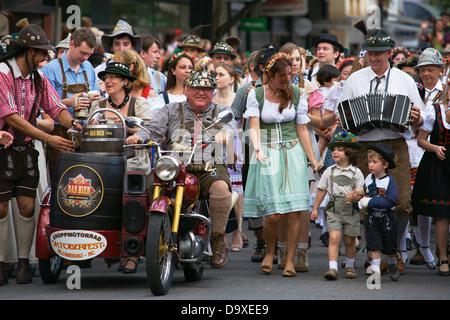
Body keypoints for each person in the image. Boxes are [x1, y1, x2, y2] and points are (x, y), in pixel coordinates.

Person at [322, 28, 425, 274]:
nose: (375, 58)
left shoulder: (405, 80)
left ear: (390, 53)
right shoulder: (355, 80)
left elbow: (420, 120)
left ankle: (396, 249)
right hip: (365, 144)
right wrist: (346, 122)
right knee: (365, 202)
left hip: (394, 144)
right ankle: (374, 253)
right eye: (371, 53)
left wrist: (416, 118)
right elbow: (342, 118)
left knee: (400, 203)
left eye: (380, 53)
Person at [126, 68, 236, 269]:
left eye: (206, 89)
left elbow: (230, 126)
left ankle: (218, 239)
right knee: (143, 189)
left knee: (220, 187)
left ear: (213, 92)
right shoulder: (170, 110)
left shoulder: (220, 112)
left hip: (208, 166)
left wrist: (225, 135)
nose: (201, 92)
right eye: (195, 88)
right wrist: (139, 137)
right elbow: (152, 130)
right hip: (174, 167)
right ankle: (140, 243)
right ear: (186, 89)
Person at [0, 24, 76, 286]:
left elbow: (55, 107)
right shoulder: (3, 72)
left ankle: (23, 263)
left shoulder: (38, 78)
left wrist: (72, 124)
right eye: (41, 53)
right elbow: (10, 116)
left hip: (27, 150)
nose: (45, 58)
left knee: (28, 206)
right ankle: (1, 263)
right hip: (3, 146)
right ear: (28, 51)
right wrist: (48, 138)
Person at [243, 52, 322, 277]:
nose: (286, 79)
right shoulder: (256, 94)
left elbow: (302, 130)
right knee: (273, 213)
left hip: (292, 152)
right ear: (269, 75)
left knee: (295, 212)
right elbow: (254, 126)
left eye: (288, 74)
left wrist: (313, 160)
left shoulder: (297, 94)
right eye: (280, 75)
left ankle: (289, 261)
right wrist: (257, 147)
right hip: (267, 153)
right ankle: (270, 252)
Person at [88, 61, 151, 274]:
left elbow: (147, 130)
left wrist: (128, 128)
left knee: (132, 200)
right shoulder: (97, 105)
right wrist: (83, 127)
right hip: (102, 162)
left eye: (113, 77)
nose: (108, 80)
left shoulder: (138, 104)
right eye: (106, 77)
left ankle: (131, 253)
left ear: (126, 81)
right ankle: (84, 248)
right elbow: (86, 132)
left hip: (132, 163)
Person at [278, 42, 325, 272]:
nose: (294, 63)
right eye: (290, 59)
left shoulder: (308, 86)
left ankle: (302, 253)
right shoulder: (273, 84)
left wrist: (302, 112)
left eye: (297, 59)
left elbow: (320, 123)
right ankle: (282, 249)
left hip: (305, 143)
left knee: (302, 202)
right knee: (280, 201)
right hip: (280, 144)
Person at [230, 44, 279, 263]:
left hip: (281, 148)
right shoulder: (246, 90)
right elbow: (233, 115)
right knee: (256, 197)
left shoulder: (288, 89)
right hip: (252, 148)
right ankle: (261, 242)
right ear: (262, 66)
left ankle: (277, 244)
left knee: (278, 198)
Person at [40, 27, 101, 181]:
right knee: (61, 178)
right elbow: (41, 106)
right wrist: (69, 102)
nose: (86, 58)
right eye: (83, 52)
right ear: (72, 44)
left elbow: (96, 99)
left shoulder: (88, 68)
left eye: (89, 54)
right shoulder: (50, 70)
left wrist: (95, 107)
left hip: (85, 131)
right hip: (60, 131)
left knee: (85, 179)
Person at [409, 48, 446, 268]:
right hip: (410, 148)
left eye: (430, 69)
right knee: (413, 201)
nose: (425, 74)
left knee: (435, 201)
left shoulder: (446, 92)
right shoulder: (413, 89)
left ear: (440, 70)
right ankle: (420, 248)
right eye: (422, 70)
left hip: (433, 151)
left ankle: (437, 251)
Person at [311, 131, 364, 280]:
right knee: (334, 238)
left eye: (340, 150)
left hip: (351, 210)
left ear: (350, 152)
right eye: (334, 149)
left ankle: (350, 266)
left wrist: (356, 196)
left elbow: (362, 192)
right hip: (334, 209)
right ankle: (332, 268)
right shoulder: (330, 171)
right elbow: (321, 190)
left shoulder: (356, 172)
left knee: (349, 239)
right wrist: (315, 208)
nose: (335, 152)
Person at [346, 143, 400, 281]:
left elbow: (391, 201)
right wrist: (355, 194)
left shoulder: (389, 181)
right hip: (372, 219)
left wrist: (368, 202)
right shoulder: (369, 177)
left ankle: (392, 263)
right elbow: (366, 190)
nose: (371, 164)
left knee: (389, 249)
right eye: (369, 161)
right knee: (373, 247)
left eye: (375, 162)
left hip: (387, 219)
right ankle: (375, 277)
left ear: (385, 165)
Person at [212, 63, 245, 251]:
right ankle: (221, 231)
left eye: (221, 74)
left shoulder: (237, 99)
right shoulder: (212, 100)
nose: (217, 78)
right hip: (215, 145)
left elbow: (239, 125)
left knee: (237, 190)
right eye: (215, 74)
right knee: (221, 187)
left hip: (236, 143)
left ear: (232, 79)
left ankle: (238, 231)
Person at [95, 20, 142, 85]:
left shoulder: (140, 70)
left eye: (125, 44)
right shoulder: (99, 70)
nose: (121, 49)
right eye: (117, 44)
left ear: (132, 47)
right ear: (111, 47)